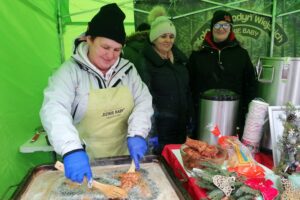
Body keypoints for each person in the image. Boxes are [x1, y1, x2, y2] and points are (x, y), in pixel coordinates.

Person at [40, 3, 153, 185]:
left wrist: (138, 133)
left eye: (117, 50)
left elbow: (143, 101)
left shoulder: (128, 70)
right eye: (105, 47)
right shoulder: (69, 72)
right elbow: (54, 108)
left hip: (123, 161)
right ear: (89, 39)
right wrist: (71, 150)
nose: (110, 55)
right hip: (85, 163)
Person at [187, 10, 257, 138]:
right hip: (203, 115)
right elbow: (188, 84)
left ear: (230, 28)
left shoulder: (241, 54)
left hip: (234, 115)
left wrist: (247, 110)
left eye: (226, 25)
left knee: (230, 150)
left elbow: (250, 84)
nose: (221, 29)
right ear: (212, 27)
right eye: (217, 25)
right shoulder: (198, 54)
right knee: (205, 150)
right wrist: (192, 110)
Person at [133, 14, 193, 155]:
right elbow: (143, 100)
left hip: (180, 129)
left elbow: (187, 92)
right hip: (159, 132)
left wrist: (190, 121)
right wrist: (152, 133)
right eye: (163, 36)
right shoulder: (144, 63)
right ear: (154, 38)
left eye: (171, 36)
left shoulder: (180, 62)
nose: (168, 40)